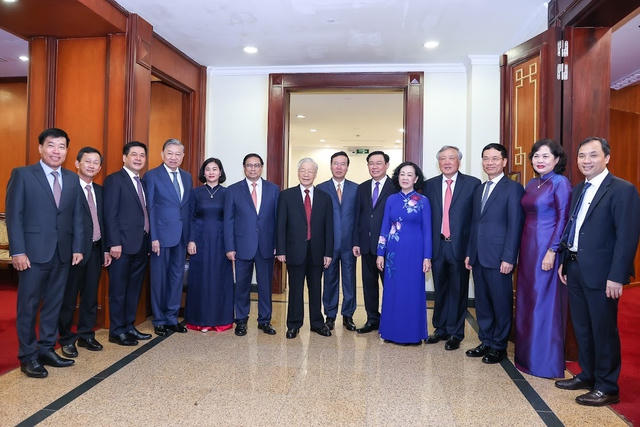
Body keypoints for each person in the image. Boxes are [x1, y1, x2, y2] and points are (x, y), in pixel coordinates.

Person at [555, 137, 640, 406]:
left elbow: (627, 237)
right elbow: (574, 228)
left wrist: (617, 275)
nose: (586, 160)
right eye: (582, 155)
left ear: (607, 157)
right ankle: (588, 375)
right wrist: (566, 261)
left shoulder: (622, 190)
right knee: (582, 327)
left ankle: (607, 386)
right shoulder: (579, 189)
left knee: (603, 331)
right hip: (576, 268)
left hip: (604, 274)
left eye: (593, 155)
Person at [6, 127, 84, 378]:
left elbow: (77, 216)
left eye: (62, 146)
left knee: (54, 304)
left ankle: (47, 349)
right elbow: (14, 217)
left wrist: (77, 247)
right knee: (28, 306)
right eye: (51, 145)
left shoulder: (72, 179)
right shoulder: (23, 175)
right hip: (32, 254)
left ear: (67, 151)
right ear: (40, 148)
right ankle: (28, 356)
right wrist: (18, 251)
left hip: (62, 253)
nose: (56, 151)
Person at [514, 139, 571, 378]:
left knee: (543, 302)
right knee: (527, 299)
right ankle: (526, 356)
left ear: (556, 159)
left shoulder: (560, 183)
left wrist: (553, 250)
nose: (540, 160)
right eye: (536, 156)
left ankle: (544, 362)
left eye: (546, 156)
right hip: (528, 246)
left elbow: (563, 218)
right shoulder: (532, 183)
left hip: (547, 248)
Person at [465, 143, 524, 364]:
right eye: (486, 158)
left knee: (500, 303)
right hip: (479, 256)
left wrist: (509, 257)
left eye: (495, 158)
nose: (489, 162)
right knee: (482, 303)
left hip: (499, 257)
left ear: (504, 161)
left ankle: (499, 345)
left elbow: (515, 225)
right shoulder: (479, 189)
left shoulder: (513, 188)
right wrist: (470, 252)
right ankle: (486, 340)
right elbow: (475, 224)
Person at [423, 146, 480, 350]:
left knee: (458, 290)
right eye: (443, 158)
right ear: (438, 162)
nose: (447, 162)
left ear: (459, 161)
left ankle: (456, 332)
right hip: (438, 246)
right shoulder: (429, 185)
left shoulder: (473, 184)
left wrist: (471, 250)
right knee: (440, 290)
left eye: (451, 158)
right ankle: (440, 329)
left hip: (460, 248)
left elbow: (475, 220)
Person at [58, 147, 112, 358]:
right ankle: (65, 339)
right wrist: (74, 248)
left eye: (96, 162)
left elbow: (103, 222)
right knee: (69, 298)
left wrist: (105, 248)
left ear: (99, 168)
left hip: (96, 249)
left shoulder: (100, 191)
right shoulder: (67, 188)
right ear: (76, 163)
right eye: (87, 161)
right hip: (74, 252)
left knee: (90, 296)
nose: (91, 165)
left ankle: (86, 334)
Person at [276, 158, 333, 339]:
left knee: (316, 289)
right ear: (298, 172)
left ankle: (317, 323)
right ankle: (293, 324)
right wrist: (281, 250)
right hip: (294, 251)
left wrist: (328, 253)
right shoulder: (286, 195)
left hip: (317, 251)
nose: (306, 174)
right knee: (295, 289)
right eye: (303, 170)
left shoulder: (325, 197)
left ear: (315, 174)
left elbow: (329, 228)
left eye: (310, 171)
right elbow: (280, 225)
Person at [376, 162, 431, 344]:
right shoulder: (391, 200)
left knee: (412, 292)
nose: (405, 178)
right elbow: (385, 227)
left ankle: (412, 335)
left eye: (409, 174)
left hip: (415, 253)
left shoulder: (423, 201)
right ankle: (391, 333)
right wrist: (380, 253)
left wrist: (427, 257)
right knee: (393, 292)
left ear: (416, 179)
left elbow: (427, 231)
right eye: (402, 174)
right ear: (397, 177)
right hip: (393, 254)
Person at [224, 153, 279, 336]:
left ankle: (265, 320)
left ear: (261, 167)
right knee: (242, 286)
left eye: (256, 165)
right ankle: (241, 320)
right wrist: (230, 247)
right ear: (244, 168)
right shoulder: (233, 190)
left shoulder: (273, 189)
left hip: (266, 246)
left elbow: (278, 220)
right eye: (249, 165)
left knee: (265, 287)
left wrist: (277, 245)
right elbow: (228, 221)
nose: (253, 168)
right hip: (241, 246)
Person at [104, 141, 152, 346]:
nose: (138, 158)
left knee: (134, 290)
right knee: (119, 290)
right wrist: (113, 243)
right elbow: (110, 214)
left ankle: (129, 326)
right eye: (134, 154)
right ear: (124, 158)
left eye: (142, 155)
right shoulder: (115, 180)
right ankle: (116, 331)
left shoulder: (143, 183)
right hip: (121, 246)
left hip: (141, 245)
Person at [144, 139, 193, 336]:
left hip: (180, 236)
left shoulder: (187, 177)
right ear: (162, 154)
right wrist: (153, 237)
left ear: (183, 156)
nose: (174, 157)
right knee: (159, 279)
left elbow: (187, 208)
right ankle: (159, 319)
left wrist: (189, 237)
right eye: (170, 153)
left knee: (176, 277)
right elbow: (150, 208)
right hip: (161, 237)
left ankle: (172, 318)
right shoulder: (152, 175)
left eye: (178, 154)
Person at [185, 158, 234, 332]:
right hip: (200, 242)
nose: (211, 172)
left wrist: (231, 246)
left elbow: (231, 220)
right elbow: (190, 218)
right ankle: (200, 320)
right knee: (201, 280)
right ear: (203, 173)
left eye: (215, 169)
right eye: (208, 169)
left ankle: (220, 320)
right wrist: (190, 240)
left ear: (220, 172)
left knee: (220, 280)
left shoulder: (228, 193)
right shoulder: (195, 193)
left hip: (221, 243)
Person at [353, 150, 395, 334]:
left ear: (387, 165)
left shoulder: (395, 187)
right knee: (369, 284)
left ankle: (390, 319)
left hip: (389, 248)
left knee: (390, 285)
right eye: (371, 163)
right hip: (367, 245)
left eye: (379, 163)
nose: (375, 167)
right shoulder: (362, 188)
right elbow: (358, 216)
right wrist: (356, 241)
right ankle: (372, 319)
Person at [317, 151, 358, 331]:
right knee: (330, 280)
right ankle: (330, 315)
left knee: (349, 281)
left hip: (349, 245)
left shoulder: (356, 189)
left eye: (343, 164)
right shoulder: (320, 188)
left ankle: (348, 315)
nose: (339, 167)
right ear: (331, 165)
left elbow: (359, 219)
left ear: (347, 167)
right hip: (329, 245)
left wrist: (357, 242)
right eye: (336, 163)